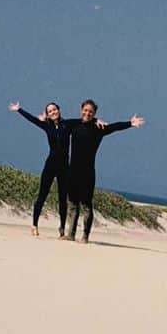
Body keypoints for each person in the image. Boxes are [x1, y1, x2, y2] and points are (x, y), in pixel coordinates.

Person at [8, 101, 102, 237]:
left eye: (54, 109)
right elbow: (32, 120)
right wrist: (19, 109)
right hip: (50, 165)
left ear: (59, 110)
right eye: (50, 111)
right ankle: (34, 225)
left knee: (62, 198)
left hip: (64, 167)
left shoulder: (68, 124)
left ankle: (62, 228)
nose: (53, 112)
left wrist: (98, 120)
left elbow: (85, 119)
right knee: (42, 195)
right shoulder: (47, 126)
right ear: (47, 114)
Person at [62, 100, 145, 243]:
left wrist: (130, 123)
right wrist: (44, 119)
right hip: (73, 171)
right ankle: (70, 234)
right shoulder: (73, 124)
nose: (87, 113)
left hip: (88, 173)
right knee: (73, 204)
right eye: (85, 110)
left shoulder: (98, 128)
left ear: (94, 113)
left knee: (87, 206)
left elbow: (114, 127)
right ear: (81, 110)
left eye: (91, 112)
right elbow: (58, 123)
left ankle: (85, 236)